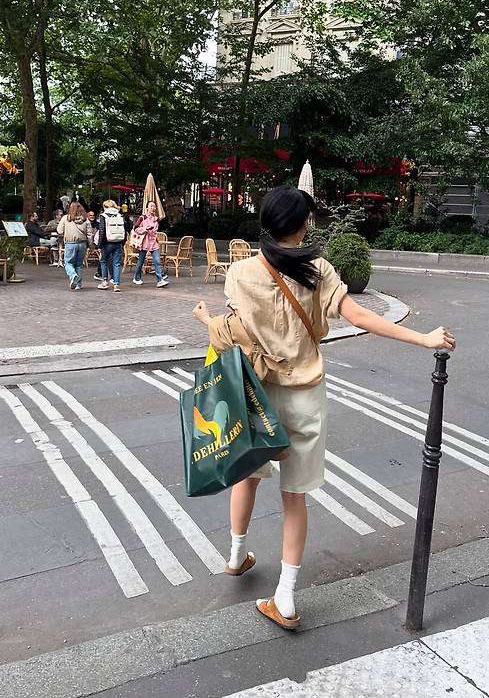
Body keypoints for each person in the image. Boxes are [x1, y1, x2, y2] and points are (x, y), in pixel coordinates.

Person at [192, 185, 456, 630]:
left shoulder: (239, 273)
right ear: (303, 225)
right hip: (304, 396)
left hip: (254, 393)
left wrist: (206, 320)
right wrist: (423, 337)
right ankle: (285, 598)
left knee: (247, 475)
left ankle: (236, 557)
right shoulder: (319, 270)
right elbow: (361, 317)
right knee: (294, 496)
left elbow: (237, 331)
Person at [132, 200, 169, 288]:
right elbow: (135, 228)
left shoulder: (157, 219)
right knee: (141, 261)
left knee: (157, 261)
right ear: (147, 208)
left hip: (154, 242)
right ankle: (136, 278)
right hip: (144, 242)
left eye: (154, 206)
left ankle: (160, 280)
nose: (153, 208)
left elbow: (156, 230)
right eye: (151, 206)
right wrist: (145, 229)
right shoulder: (142, 218)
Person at [57, 202, 93, 290]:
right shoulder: (85, 219)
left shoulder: (66, 218)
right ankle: (78, 285)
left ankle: (73, 275)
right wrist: (91, 245)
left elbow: (59, 231)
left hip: (70, 243)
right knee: (79, 265)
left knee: (68, 262)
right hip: (82, 244)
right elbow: (90, 234)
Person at [97, 199, 127, 292]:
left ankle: (105, 281)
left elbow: (102, 231)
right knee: (116, 263)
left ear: (105, 207)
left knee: (103, 261)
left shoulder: (103, 216)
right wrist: (122, 242)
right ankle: (116, 284)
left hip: (107, 242)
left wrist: (100, 245)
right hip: (118, 242)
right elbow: (125, 230)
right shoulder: (120, 215)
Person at [87, 210, 104, 281]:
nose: (92, 217)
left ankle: (101, 274)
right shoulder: (85, 223)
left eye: (93, 215)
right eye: (90, 215)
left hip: (97, 242)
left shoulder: (98, 224)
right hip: (89, 242)